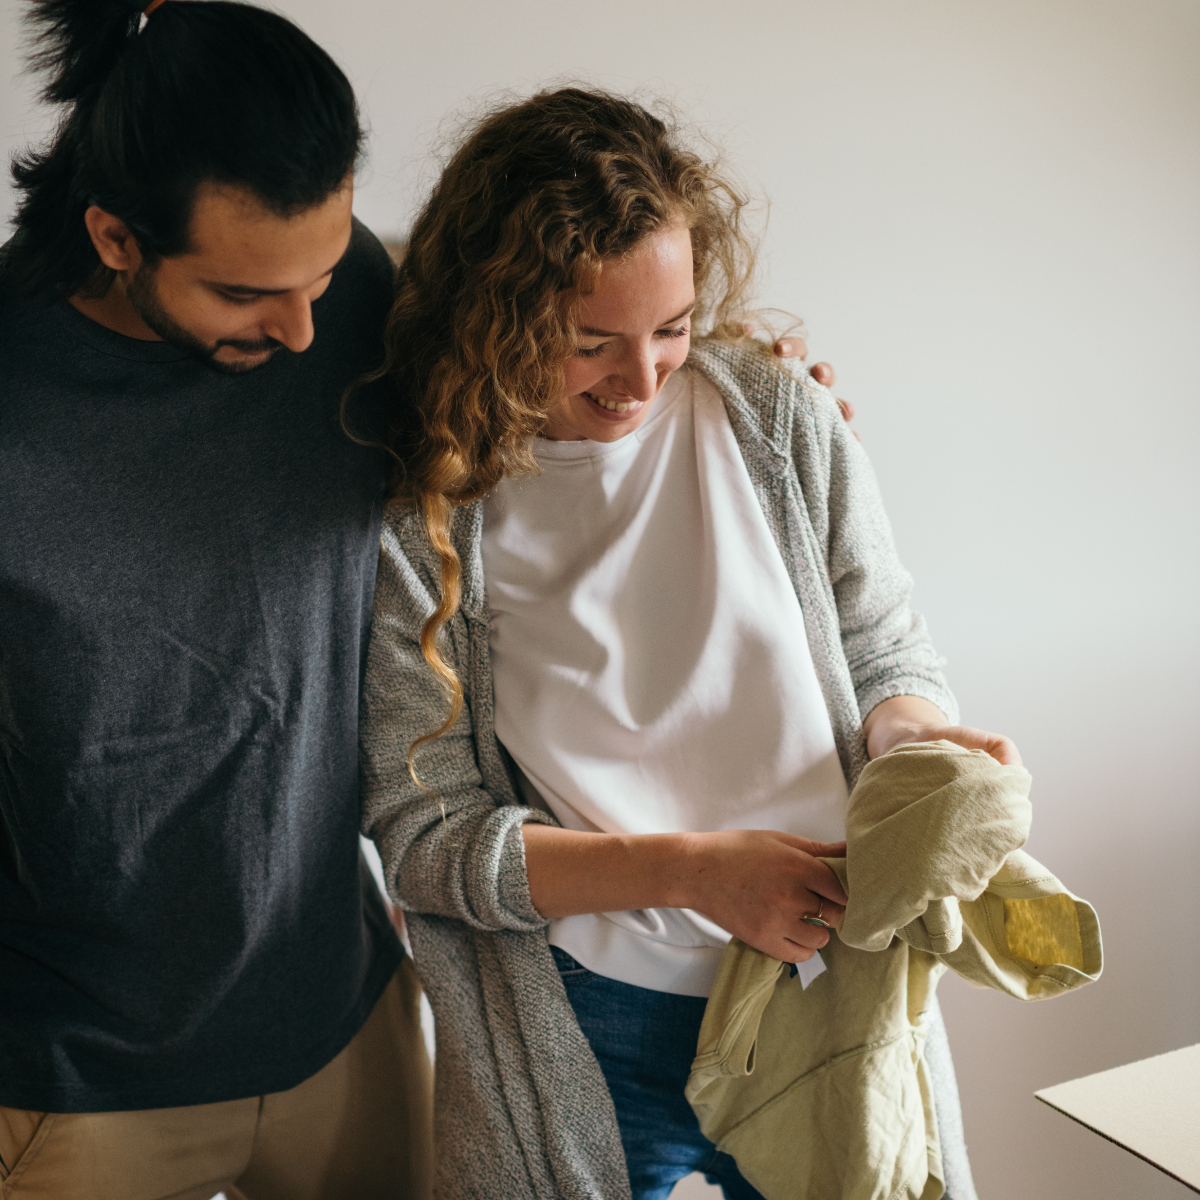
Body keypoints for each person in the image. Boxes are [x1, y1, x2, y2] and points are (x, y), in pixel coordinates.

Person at [360, 87, 1019, 1200]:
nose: (643, 378)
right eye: (588, 343)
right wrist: (695, 872)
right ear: (496, 316)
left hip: (828, 984)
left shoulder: (778, 417)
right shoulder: (422, 518)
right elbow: (423, 838)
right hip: (585, 1017)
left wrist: (917, 748)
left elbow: (887, 655)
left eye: (672, 327)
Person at [0, 2, 433, 1196]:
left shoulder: (350, 302)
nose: (303, 330)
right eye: (247, 295)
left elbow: (541, 417)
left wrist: (761, 409)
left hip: (340, 1019)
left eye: (324, 272)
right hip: (73, 1078)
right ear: (116, 236)